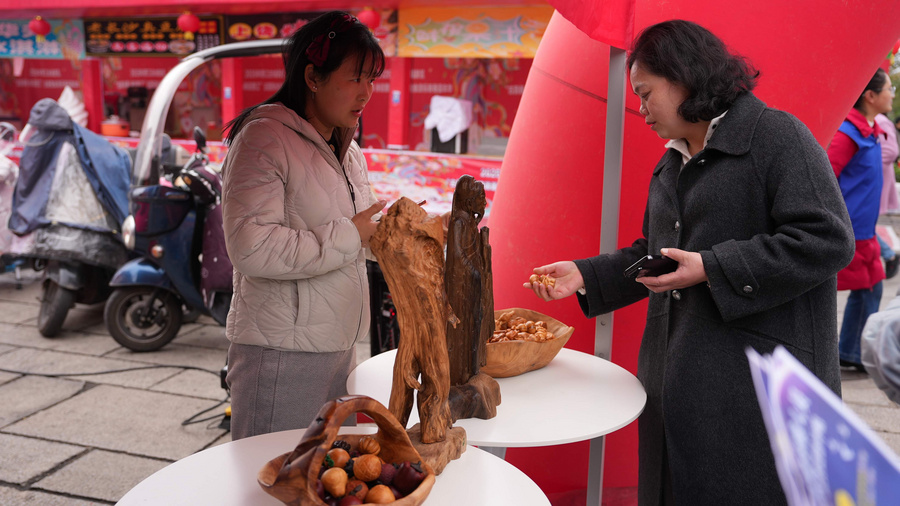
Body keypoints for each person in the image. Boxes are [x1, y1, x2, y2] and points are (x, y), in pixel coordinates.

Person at [524, 20, 854, 505]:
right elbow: (659, 255)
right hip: (677, 385)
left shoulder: (778, 137)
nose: (641, 110)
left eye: (645, 94)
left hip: (757, 394)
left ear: (683, 76)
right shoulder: (671, 162)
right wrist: (585, 274)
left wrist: (712, 267)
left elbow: (827, 239)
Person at [220, 11, 386, 440]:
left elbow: (358, 232)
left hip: (338, 345)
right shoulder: (264, 138)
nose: (366, 92)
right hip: (281, 352)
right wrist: (352, 234)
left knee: (325, 469)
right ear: (313, 77)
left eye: (372, 79)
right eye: (355, 78)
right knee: (272, 473)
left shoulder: (347, 149)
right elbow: (252, 247)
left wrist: (404, 233)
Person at [828, 69, 896, 371]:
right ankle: (848, 353)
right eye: (889, 88)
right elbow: (825, 178)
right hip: (849, 231)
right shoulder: (847, 134)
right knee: (862, 288)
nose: (892, 94)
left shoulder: (871, 131)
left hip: (866, 232)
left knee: (871, 287)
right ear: (870, 95)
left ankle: (850, 352)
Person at [875, 111, 900, 278]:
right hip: (874, 180)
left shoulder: (880, 121)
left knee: (860, 224)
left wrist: (866, 165)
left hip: (873, 181)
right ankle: (888, 254)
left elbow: (890, 152)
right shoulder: (879, 120)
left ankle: (888, 254)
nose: (891, 98)